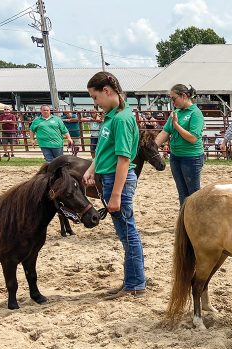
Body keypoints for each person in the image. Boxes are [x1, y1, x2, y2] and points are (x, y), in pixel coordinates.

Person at [82, 71, 146, 299]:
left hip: (118, 181)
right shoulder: (112, 116)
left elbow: (124, 159)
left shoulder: (121, 119)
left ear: (107, 91)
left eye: (95, 97)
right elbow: (104, 150)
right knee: (125, 233)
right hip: (110, 179)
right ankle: (132, 281)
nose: (95, 103)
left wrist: (116, 194)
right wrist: (92, 168)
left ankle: (136, 283)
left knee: (128, 234)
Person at [155, 84, 205, 206]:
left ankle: (193, 221)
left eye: (173, 98)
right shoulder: (176, 112)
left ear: (183, 96)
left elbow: (193, 138)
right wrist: (152, 146)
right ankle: (185, 221)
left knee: (193, 193)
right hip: (176, 156)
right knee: (182, 193)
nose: (172, 102)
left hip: (191, 157)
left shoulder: (195, 113)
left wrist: (176, 125)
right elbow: (165, 132)